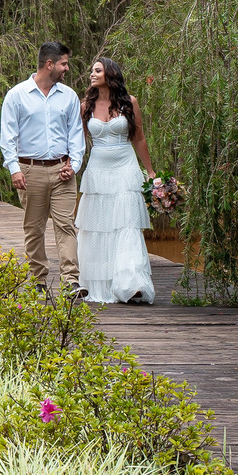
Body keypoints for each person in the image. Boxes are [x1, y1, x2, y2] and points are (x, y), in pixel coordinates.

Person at [0, 41, 87, 295]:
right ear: (49, 64)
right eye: (64, 64)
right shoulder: (17, 95)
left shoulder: (68, 96)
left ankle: (71, 281)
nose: (67, 68)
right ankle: (38, 279)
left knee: (66, 225)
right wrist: (14, 169)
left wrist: (74, 166)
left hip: (62, 171)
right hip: (30, 171)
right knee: (34, 227)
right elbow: (8, 136)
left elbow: (76, 135)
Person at [75, 57, 155, 304]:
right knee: (98, 226)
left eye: (97, 70)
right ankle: (101, 283)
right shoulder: (85, 105)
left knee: (127, 224)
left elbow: (139, 138)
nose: (92, 74)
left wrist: (150, 172)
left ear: (110, 74)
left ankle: (131, 283)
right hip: (98, 169)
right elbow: (78, 142)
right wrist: (70, 165)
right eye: (92, 71)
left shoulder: (130, 102)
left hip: (125, 168)